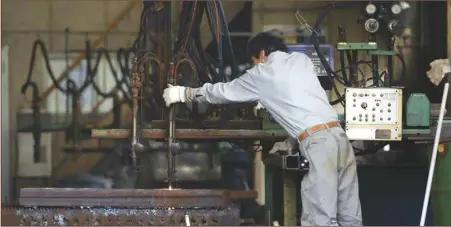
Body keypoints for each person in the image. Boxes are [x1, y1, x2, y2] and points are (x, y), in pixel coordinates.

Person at [162, 31, 362, 226]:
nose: (254, 65)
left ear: (263, 53)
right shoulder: (302, 62)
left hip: (319, 145)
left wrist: (184, 93)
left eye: (254, 60)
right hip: (339, 137)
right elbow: (306, 107)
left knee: (319, 220)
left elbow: (222, 92)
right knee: (349, 216)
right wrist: (291, 140)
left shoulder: (262, 73)